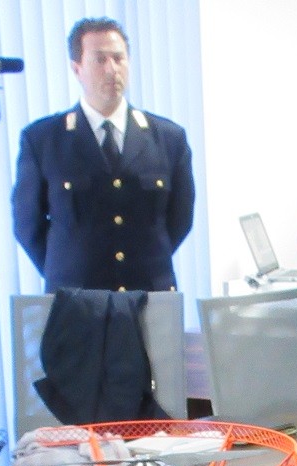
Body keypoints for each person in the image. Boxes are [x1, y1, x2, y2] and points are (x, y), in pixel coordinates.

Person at [13, 17, 194, 294]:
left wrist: (146, 262)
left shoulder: (168, 138)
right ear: (77, 69)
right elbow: (28, 226)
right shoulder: (43, 140)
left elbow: (180, 219)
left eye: (119, 59)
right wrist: (66, 269)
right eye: (99, 60)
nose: (112, 70)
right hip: (77, 299)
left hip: (149, 293)